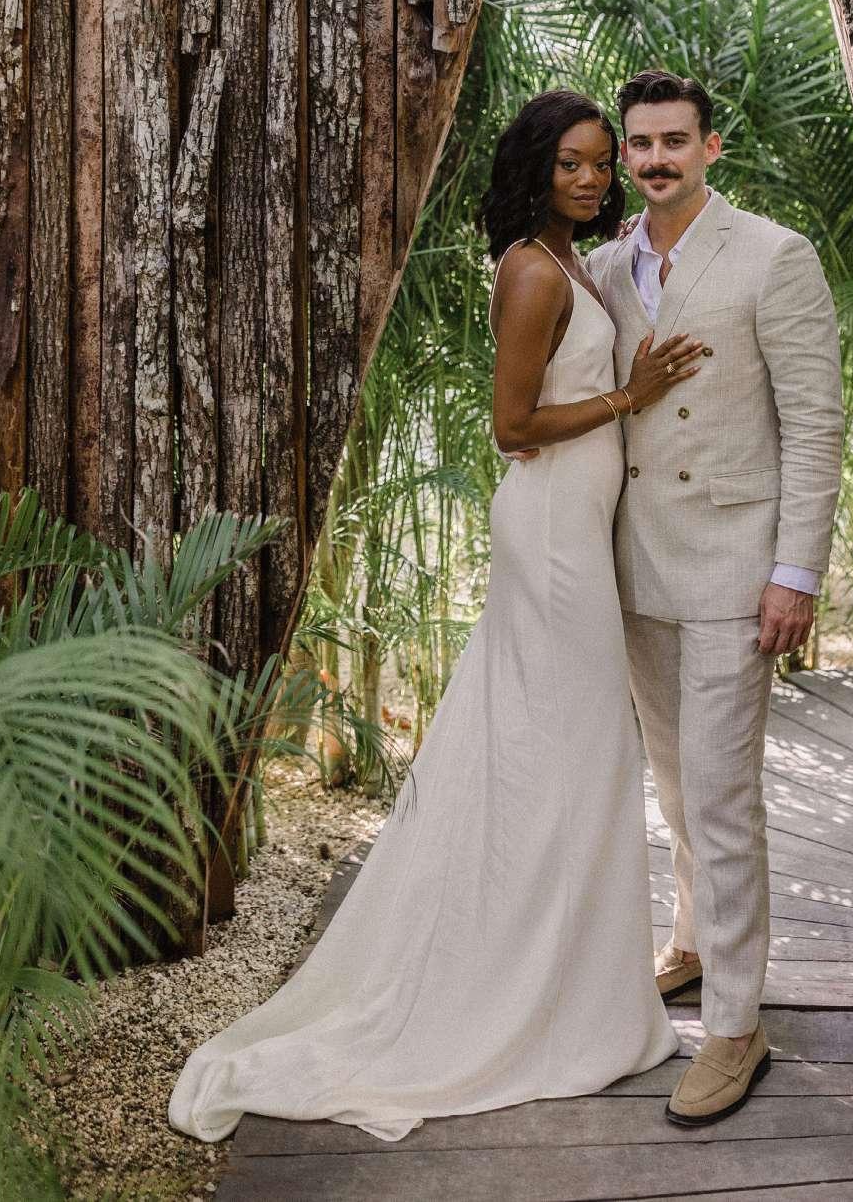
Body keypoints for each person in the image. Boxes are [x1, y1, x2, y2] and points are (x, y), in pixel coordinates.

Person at [167, 89, 702, 1144]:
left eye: (602, 163)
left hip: (573, 528)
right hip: (549, 534)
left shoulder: (570, 261)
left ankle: (568, 985)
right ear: (534, 169)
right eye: (572, 163)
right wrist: (625, 399)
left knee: (570, 756)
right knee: (569, 750)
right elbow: (511, 425)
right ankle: (527, 995)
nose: (592, 179)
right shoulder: (531, 271)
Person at [587, 68, 843, 1128]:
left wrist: (796, 572)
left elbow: (815, 423)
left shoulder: (774, 255)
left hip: (735, 566)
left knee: (723, 794)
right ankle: (692, 944)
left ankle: (736, 1025)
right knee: (675, 782)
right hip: (636, 562)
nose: (655, 159)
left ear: (710, 148)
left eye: (674, 141)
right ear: (625, 155)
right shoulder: (605, 265)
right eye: (640, 144)